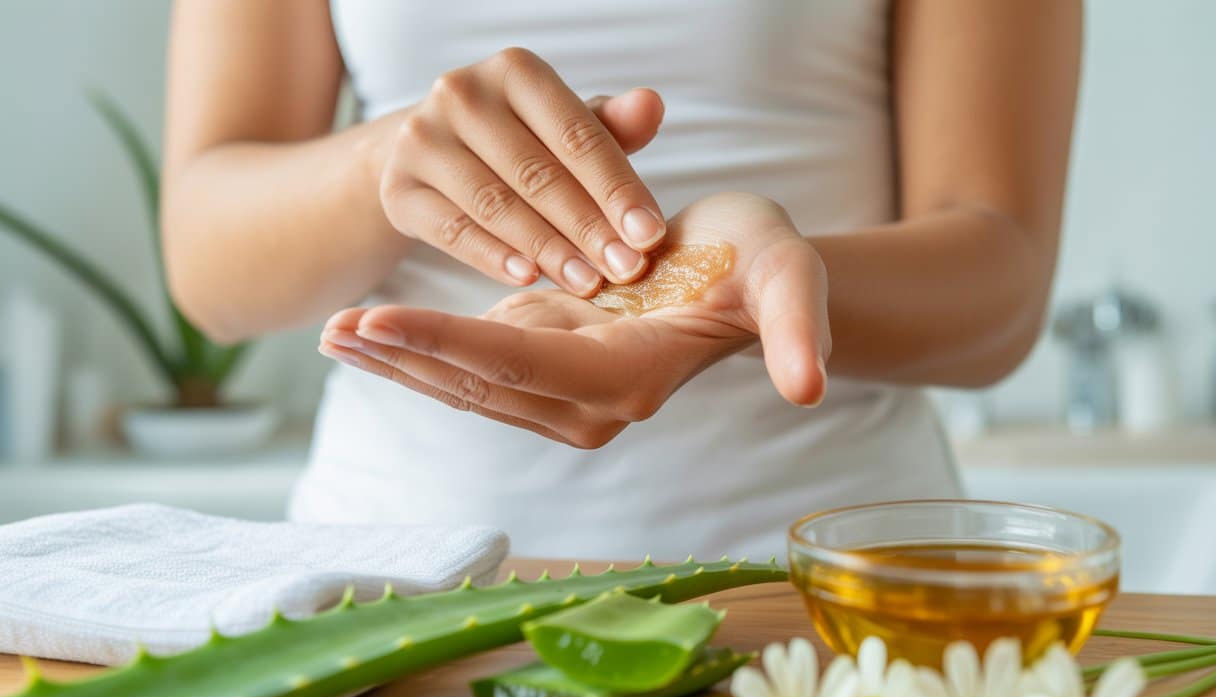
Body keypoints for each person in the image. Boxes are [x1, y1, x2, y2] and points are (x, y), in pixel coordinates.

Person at [162, 1, 1081, 558]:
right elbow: (207, 264)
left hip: (817, 591)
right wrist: (384, 166)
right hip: (387, 578)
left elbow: (1000, 278)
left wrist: (750, 287)